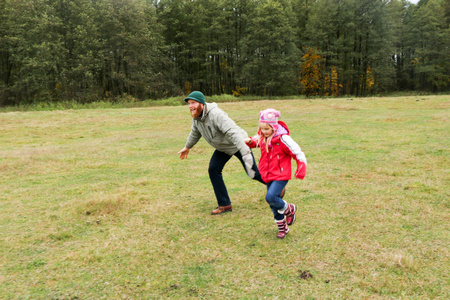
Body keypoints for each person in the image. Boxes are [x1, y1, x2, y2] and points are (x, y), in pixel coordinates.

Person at [178, 91, 266, 215]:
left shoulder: (216, 115)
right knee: (213, 169)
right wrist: (187, 147)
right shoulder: (197, 118)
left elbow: (233, 132)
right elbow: (195, 132)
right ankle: (224, 204)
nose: (190, 106)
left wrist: (245, 150)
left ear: (201, 104)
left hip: (238, 144)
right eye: (189, 103)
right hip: (223, 148)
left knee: (253, 173)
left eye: (193, 103)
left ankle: (275, 185)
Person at [245, 108, 307, 239]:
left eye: (267, 129)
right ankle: (282, 227)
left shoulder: (283, 139)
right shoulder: (263, 137)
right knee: (273, 203)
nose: (263, 132)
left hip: (281, 175)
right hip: (267, 174)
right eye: (261, 129)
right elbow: (257, 141)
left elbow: (297, 152)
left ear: (274, 127)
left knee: (271, 197)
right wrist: (251, 141)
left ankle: (289, 209)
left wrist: (301, 166)